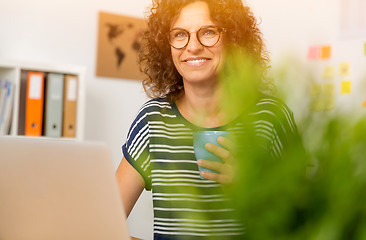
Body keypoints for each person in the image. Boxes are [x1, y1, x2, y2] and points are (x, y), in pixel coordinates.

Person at [116, 0, 298, 239]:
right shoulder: (153, 120)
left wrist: (251, 187)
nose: (193, 47)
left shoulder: (269, 117)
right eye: (180, 34)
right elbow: (105, 220)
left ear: (233, 40)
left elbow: (310, 223)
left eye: (208, 32)